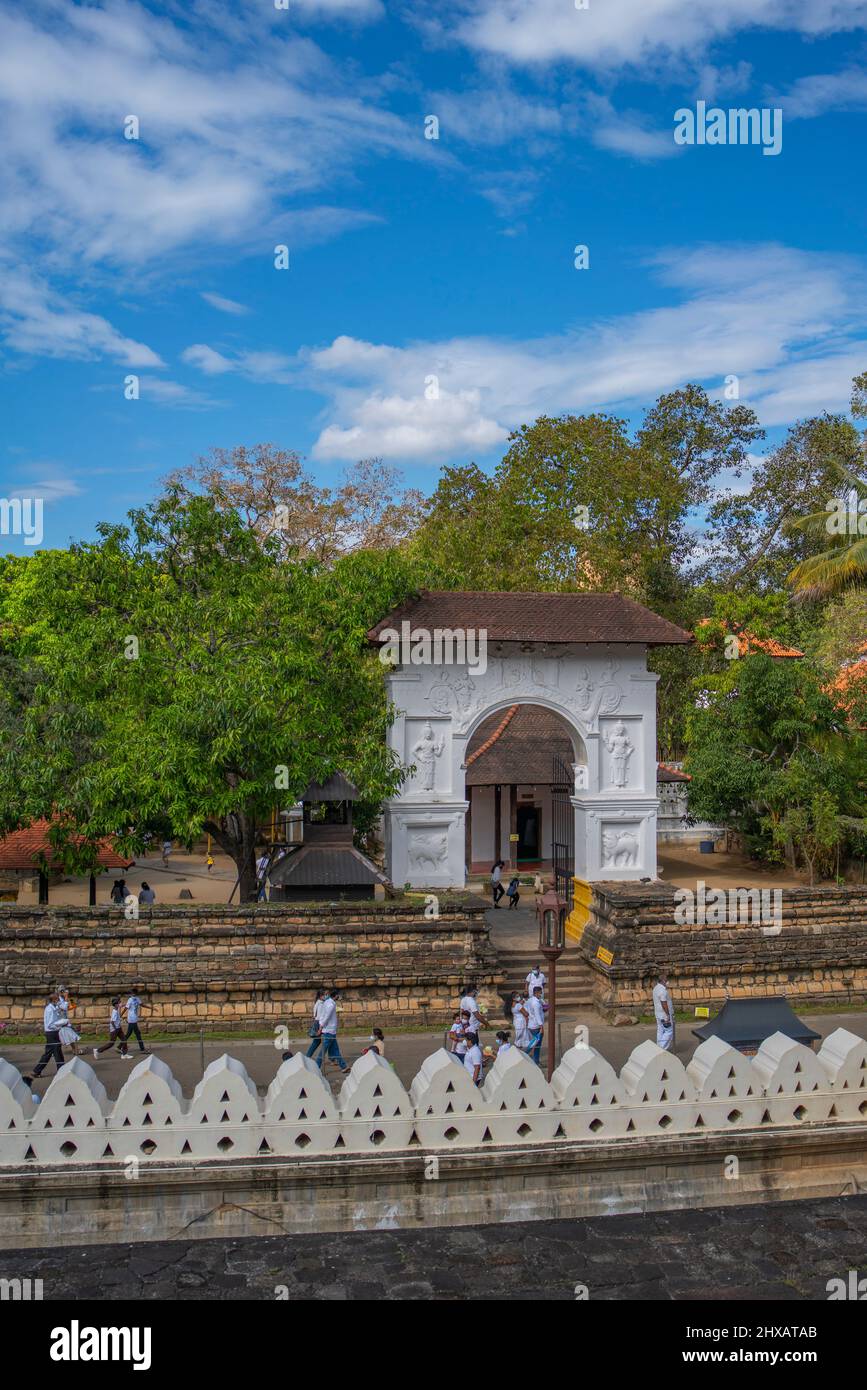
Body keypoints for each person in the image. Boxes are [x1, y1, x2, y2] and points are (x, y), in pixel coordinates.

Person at [23, 993, 66, 1083]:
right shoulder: (50, 1010)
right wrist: (61, 1024)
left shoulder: (53, 1007)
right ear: (54, 1000)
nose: (59, 1000)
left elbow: (63, 1005)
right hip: (52, 1033)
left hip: (53, 1033)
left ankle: (36, 1071)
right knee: (57, 1053)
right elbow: (50, 1024)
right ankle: (61, 1071)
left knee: (49, 1053)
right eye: (57, 999)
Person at [315, 988, 349, 1074]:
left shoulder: (328, 1002)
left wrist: (321, 1026)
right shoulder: (330, 1004)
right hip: (329, 1031)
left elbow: (323, 1016)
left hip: (330, 1031)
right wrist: (320, 1028)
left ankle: (344, 1066)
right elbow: (326, 1017)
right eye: (338, 995)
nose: (339, 996)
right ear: (336, 995)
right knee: (323, 1051)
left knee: (335, 1050)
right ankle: (316, 1067)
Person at [653, 970, 674, 1051]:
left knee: (660, 1030)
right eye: (666, 980)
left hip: (658, 1014)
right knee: (669, 1031)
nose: (667, 982)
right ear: (663, 981)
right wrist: (668, 1015)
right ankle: (661, 1048)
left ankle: (658, 1046)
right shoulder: (663, 991)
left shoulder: (655, 988)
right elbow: (664, 1003)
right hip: (664, 1016)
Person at [56, 987, 81, 1056]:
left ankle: (74, 1050)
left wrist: (70, 999)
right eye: (64, 992)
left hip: (64, 1022)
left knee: (69, 1036)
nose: (65, 993)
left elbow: (72, 1006)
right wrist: (66, 997)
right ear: (61, 992)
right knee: (72, 1036)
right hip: (60, 1022)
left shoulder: (64, 999)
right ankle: (75, 1051)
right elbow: (64, 1007)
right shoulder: (58, 1000)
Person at [526, 986, 545, 1066]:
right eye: (540, 993)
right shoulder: (536, 1003)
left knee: (533, 1043)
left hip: (531, 1025)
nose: (541, 994)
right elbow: (537, 1015)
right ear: (536, 993)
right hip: (536, 1027)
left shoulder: (530, 1000)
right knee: (536, 1045)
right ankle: (535, 1061)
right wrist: (541, 1027)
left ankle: (534, 1060)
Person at [305, 989, 327, 1060]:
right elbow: (321, 1016)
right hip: (319, 1023)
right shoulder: (320, 1004)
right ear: (321, 996)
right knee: (319, 1041)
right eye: (325, 995)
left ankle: (307, 1056)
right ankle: (307, 1056)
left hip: (317, 1022)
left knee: (322, 1041)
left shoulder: (318, 1002)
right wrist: (321, 1027)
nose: (326, 996)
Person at [124, 987, 147, 1053]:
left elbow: (142, 1005)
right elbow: (126, 1008)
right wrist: (120, 1015)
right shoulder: (130, 1000)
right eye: (132, 993)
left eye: (134, 993)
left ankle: (120, 1046)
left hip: (134, 1018)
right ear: (131, 994)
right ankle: (142, 1048)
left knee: (129, 1034)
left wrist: (151, 1008)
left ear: (136, 993)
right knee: (138, 1034)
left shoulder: (137, 999)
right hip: (131, 1019)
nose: (133, 994)